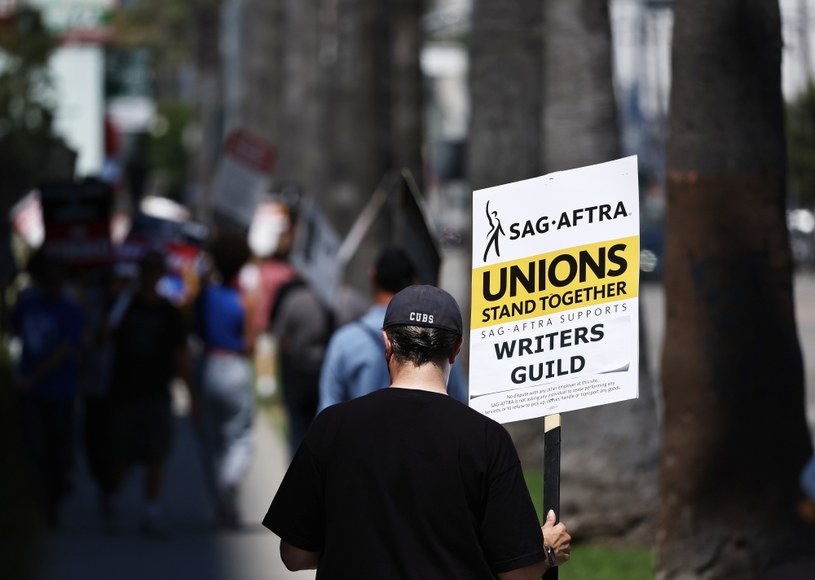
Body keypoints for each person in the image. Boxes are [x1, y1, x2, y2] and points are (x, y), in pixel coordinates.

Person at [264, 284, 572, 578]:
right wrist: (546, 550)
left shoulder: (332, 426)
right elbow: (517, 573)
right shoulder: (487, 439)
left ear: (387, 343)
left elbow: (295, 555)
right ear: (455, 349)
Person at [106, 250, 197, 537]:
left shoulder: (169, 312)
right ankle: (115, 499)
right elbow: (101, 338)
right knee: (121, 453)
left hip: (157, 392)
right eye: (147, 270)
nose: (152, 276)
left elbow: (180, 354)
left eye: (157, 270)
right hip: (124, 392)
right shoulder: (124, 306)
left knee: (157, 453)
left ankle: (151, 509)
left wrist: (190, 392)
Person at [318, 246, 467, 413]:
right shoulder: (439, 336)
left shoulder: (344, 340)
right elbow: (460, 400)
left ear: (373, 276)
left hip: (359, 435)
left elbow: (327, 405)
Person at [10, 250, 85, 528]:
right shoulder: (28, 305)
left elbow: (65, 349)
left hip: (60, 391)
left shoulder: (70, 309)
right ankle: (39, 505)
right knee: (34, 450)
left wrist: (32, 377)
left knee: (60, 451)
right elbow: (14, 331)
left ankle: (55, 495)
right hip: (33, 394)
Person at [194, 232, 257, 529]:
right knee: (240, 437)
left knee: (211, 441)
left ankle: (222, 506)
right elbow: (250, 342)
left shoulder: (205, 295)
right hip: (236, 366)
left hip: (208, 364)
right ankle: (229, 482)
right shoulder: (244, 298)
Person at [270, 274, 334, 456]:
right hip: (322, 371)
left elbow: (279, 337)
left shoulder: (294, 299)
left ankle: (296, 470)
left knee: (296, 427)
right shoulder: (331, 301)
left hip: (297, 371)